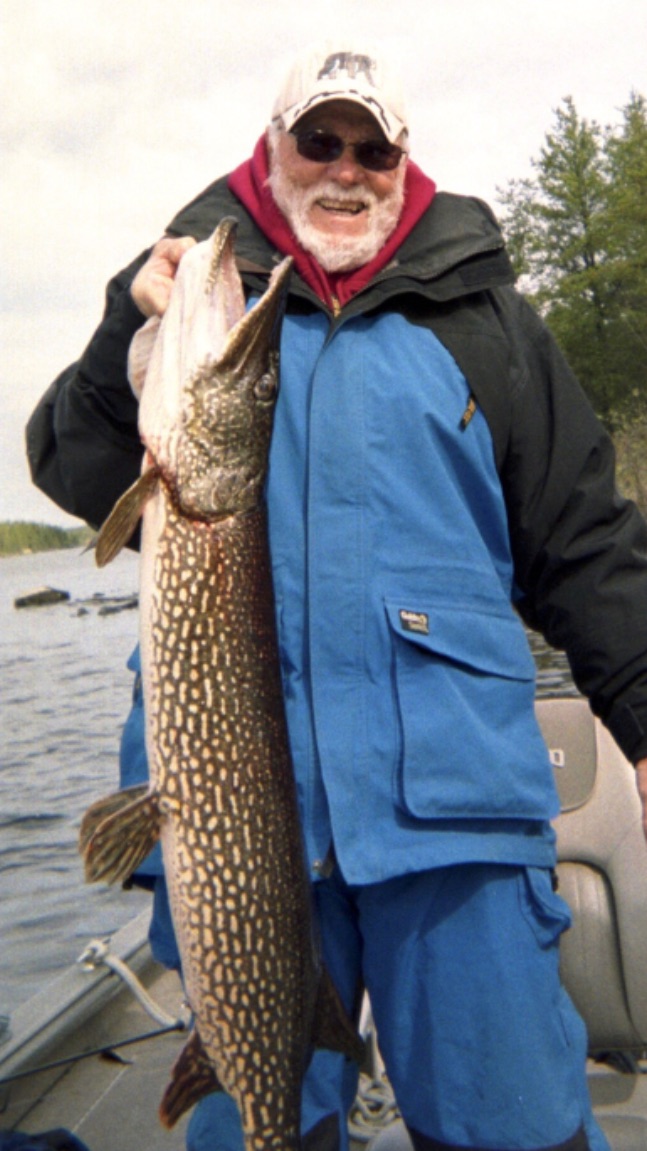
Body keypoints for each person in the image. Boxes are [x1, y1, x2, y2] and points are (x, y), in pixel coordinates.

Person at [25, 41, 647, 1151]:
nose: (343, 170)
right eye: (319, 141)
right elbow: (73, 471)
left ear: (403, 164)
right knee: (261, 1120)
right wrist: (130, 327)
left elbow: (584, 539)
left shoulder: (482, 317)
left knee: (513, 1127)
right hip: (235, 833)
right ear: (275, 150)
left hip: (450, 821)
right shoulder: (195, 302)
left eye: (370, 148)